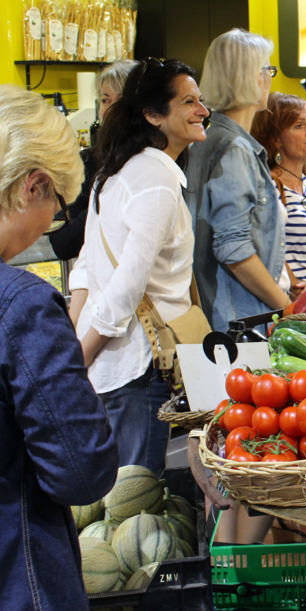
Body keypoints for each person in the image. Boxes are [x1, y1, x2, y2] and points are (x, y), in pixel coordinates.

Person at [0, 84, 118, 609]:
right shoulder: (22, 305)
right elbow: (81, 470)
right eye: (58, 204)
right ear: (33, 185)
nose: (52, 222)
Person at [68, 58, 209, 475]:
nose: (202, 110)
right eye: (188, 101)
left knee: (114, 506)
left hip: (109, 365)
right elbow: (128, 283)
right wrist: (81, 357)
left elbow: (85, 268)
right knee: (137, 501)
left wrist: (79, 352)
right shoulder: (156, 180)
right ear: (152, 114)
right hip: (140, 363)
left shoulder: (114, 170)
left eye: (201, 100)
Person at [185, 29, 290, 332]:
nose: (269, 79)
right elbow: (234, 249)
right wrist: (285, 305)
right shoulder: (234, 150)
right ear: (255, 77)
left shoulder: (206, 140)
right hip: (242, 318)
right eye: (268, 70)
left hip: (222, 313)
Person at [48, 59, 139, 260]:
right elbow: (62, 243)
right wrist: (105, 197)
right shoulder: (88, 162)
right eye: (106, 100)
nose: (111, 109)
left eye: (121, 100)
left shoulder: (156, 161)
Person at [252, 92, 306, 295]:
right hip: (286, 303)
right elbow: (269, 249)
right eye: (299, 126)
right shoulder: (268, 185)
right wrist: (296, 285)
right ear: (275, 139)